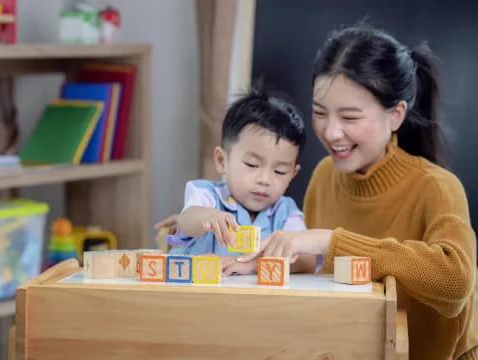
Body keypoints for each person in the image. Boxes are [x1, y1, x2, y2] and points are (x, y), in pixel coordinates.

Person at [234, 25, 477, 359]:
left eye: (350, 116)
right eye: (320, 112)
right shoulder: (323, 177)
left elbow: (455, 283)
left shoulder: (437, 188)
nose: (331, 132)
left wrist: (332, 241)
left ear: (396, 115)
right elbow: (321, 278)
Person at [163, 85, 315, 274]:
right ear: (221, 160)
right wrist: (210, 217)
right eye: (252, 165)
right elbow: (187, 220)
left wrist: (249, 266)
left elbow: (306, 261)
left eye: (279, 171)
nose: (264, 179)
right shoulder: (208, 195)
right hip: (201, 297)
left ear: (292, 174)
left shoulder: (285, 213)